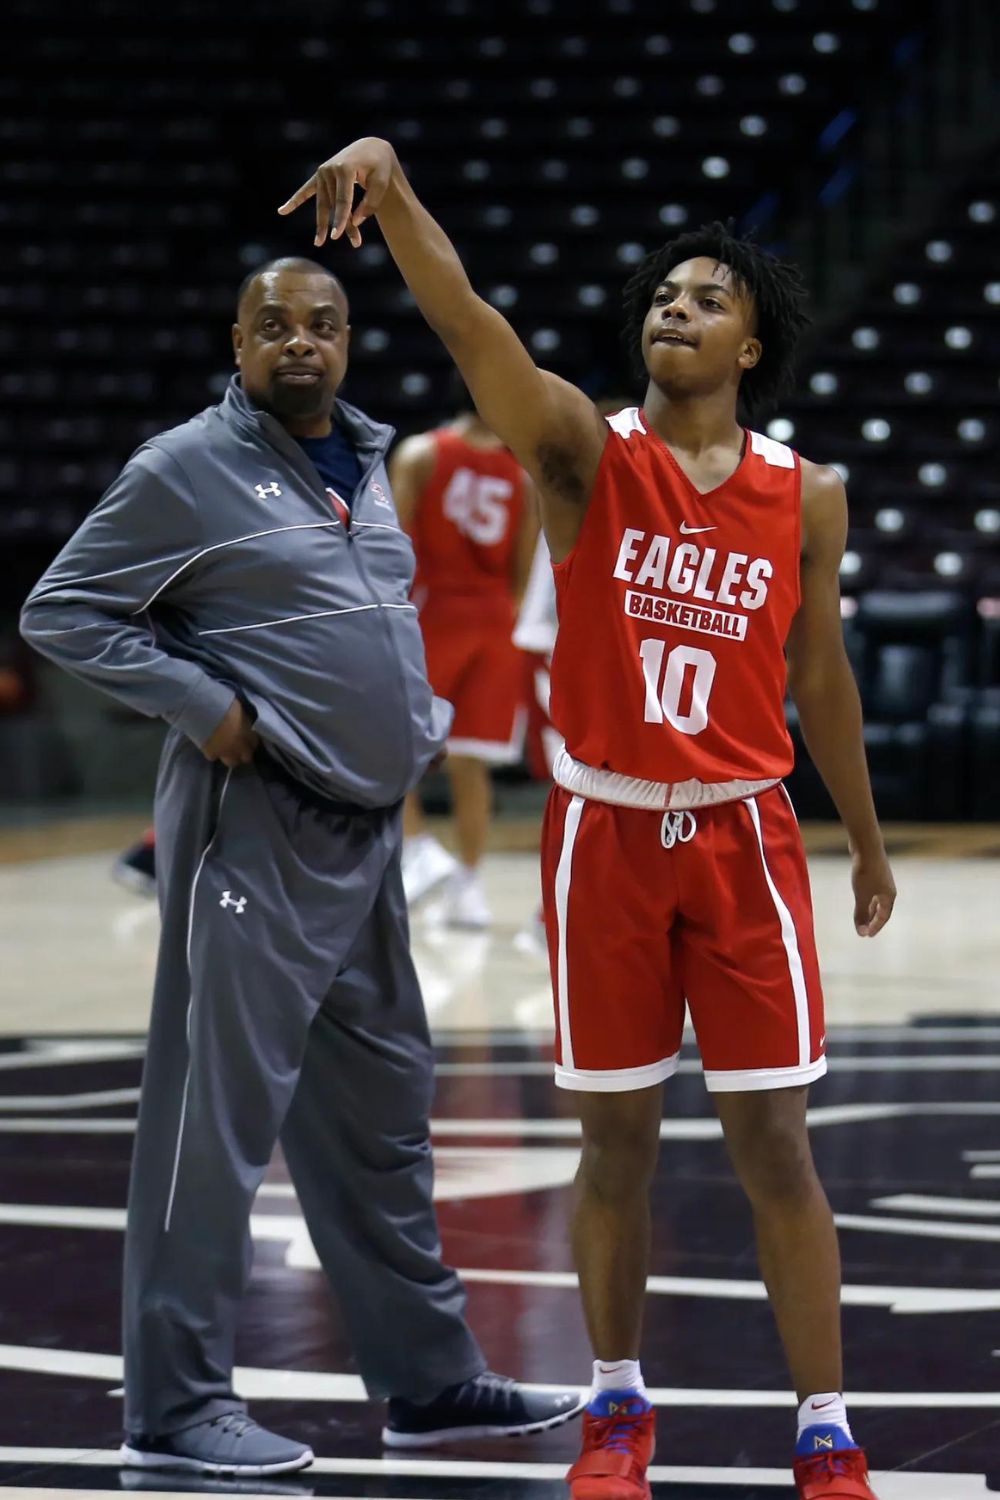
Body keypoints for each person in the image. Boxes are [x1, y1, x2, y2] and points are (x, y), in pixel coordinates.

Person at [277, 142, 898, 1500]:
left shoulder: (812, 494)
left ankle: (828, 1426)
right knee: (610, 1141)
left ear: (751, 345)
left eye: (705, 299)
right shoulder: (577, 451)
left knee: (775, 1146)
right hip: (604, 833)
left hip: (744, 833)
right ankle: (619, 1410)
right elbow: (466, 321)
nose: (673, 310)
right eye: (662, 295)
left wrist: (860, 835)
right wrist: (400, 189)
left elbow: (821, 678)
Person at [19, 257, 583, 1477]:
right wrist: (199, 701)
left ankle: (427, 1382)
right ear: (237, 340)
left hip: (365, 833)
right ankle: (174, 1407)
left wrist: (412, 720)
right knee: (211, 1126)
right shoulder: (183, 468)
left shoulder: (370, 467)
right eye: (273, 325)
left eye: (322, 325)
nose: (299, 343)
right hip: (252, 825)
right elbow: (62, 608)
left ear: (347, 343)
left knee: (381, 1123)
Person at [391, 376, 538, 927]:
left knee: (395, 740)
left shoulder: (422, 453)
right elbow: (522, 574)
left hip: (432, 611)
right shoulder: (521, 474)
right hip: (498, 620)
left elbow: (391, 540)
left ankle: (418, 849)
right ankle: (467, 888)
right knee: (470, 762)